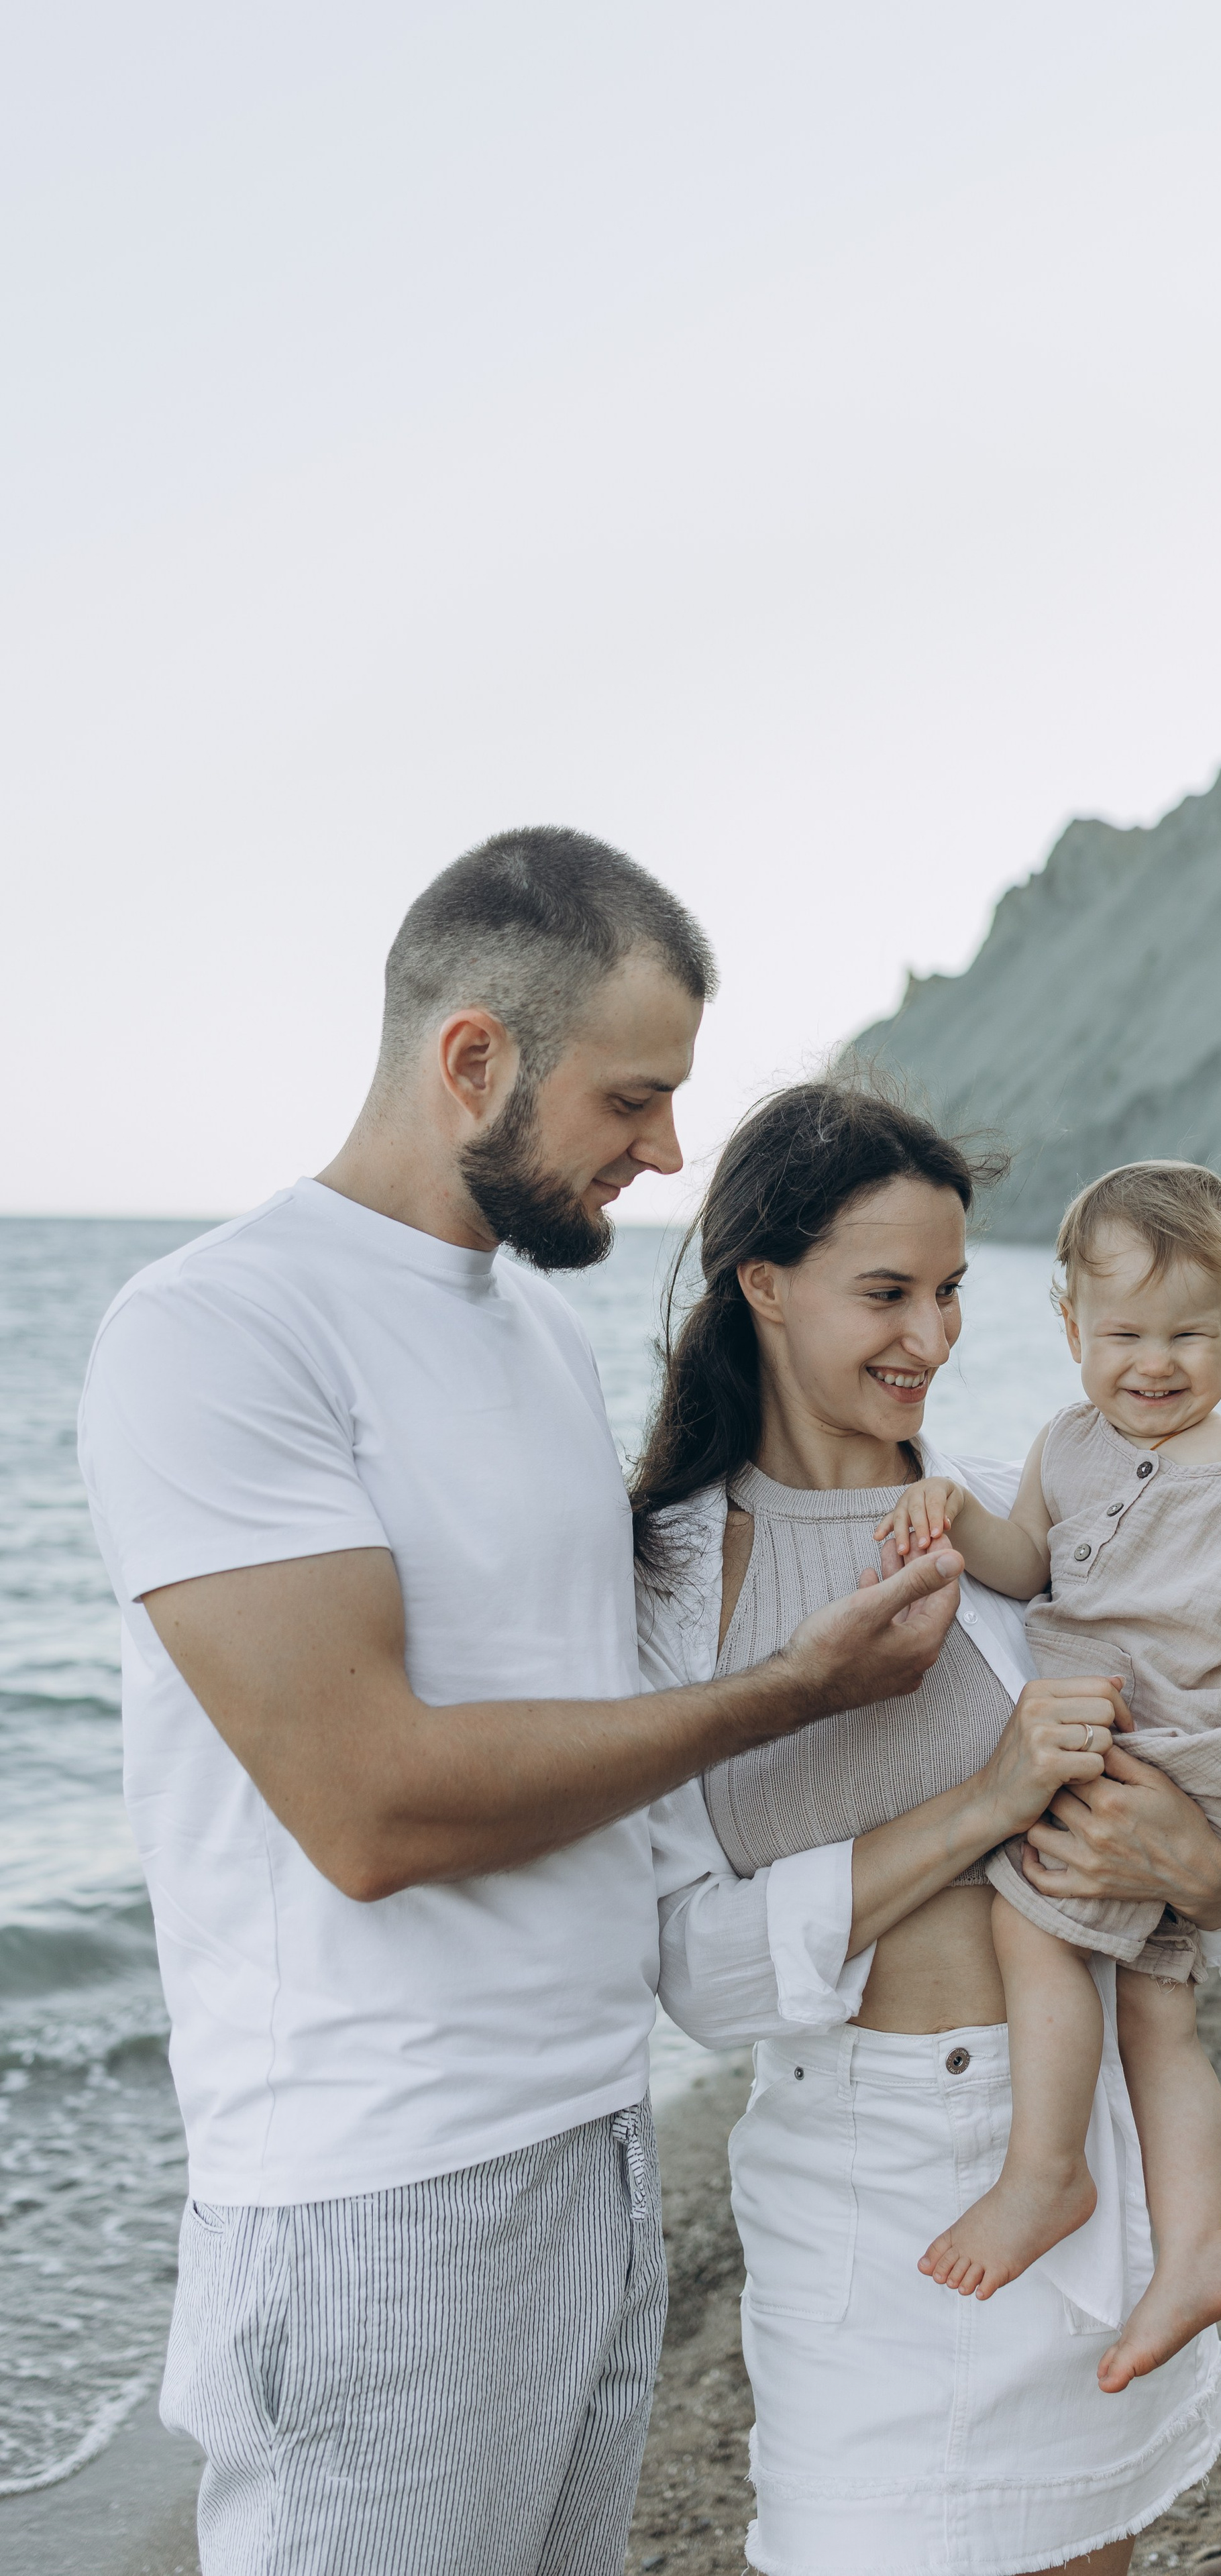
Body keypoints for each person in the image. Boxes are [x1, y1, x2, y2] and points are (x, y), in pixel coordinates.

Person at [76, 830, 986, 2576]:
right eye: (632, 1101)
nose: (668, 1151)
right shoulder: (219, 1331)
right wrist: (793, 1692)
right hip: (377, 2197)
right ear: (473, 1058)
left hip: (595, 2151)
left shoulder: (538, 1341)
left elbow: (606, 1730)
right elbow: (371, 1804)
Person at [635, 1083, 1221, 2576]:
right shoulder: (667, 1583)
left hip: (1082, 2151)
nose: (929, 1339)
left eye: (948, 1292)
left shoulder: (1019, 1531)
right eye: (884, 1293)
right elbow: (692, 1975)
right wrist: (986, 1801)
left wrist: (1203, 1872)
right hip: (863, 2202)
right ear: (761, 1282)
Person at [878, 1160, 1221, 2394]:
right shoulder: (1066, 1448)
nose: (1153, 1365)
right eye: (1122, 1335)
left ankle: (1047, 2172)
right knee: (1159, 2013)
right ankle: (1198, 2245)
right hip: (1155, 1748)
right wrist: (941, 1500)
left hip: (1199, 1752)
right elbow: (1023, 1565)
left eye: (1188, 1336)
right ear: (1069, 1329)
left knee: (1031, 1920)